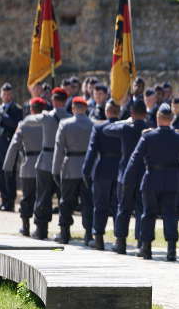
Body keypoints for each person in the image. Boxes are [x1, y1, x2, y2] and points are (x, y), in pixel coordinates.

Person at [124, 103, 179, 262]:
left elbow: (135, 159)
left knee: (148, 214)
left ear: (157, 118)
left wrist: (127, 179)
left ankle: (146, 248)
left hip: (151, 177)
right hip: (172, 179)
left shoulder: (148, 136)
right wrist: (177, 176)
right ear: (172, 118)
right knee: (170, 215)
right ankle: (171, 250)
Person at [20, 87, 71, 239]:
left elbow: (28, 120)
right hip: (64, 161)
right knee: (64, 197)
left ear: (54, 101)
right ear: (65, 100)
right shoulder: (69, 117)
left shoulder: (46, 117)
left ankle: (41, 230)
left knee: (43, 196)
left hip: (47, 160)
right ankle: (64, 230)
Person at [103, 99, 148, 254]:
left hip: (125, 175)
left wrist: (125, 120)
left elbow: (107, 129)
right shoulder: (149, 129)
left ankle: (120, 242)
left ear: (131, 113)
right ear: (146, 113)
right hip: (143, 174)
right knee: (141, 209)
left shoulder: (125, 128)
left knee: (123, 209)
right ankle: (141, 242)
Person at [51, 96, 94, 244]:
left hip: (70, 166)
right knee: (88, 202)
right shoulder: (92, 124)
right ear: (86, 108)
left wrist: (55, 170)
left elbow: (59, 149)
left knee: (66, 201)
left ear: (73, 108)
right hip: (87, 168)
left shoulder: (65, 124)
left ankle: (64, 233)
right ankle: (89, 234)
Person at [82, 99, 122, 250]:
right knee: (118, 206)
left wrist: (86, 171)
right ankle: (119, 239)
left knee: (100, 205)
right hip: (119, 168)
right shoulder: (124, 127)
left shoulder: (99, 127)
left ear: (107, 111)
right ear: (118, 112)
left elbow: (91, 152)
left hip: (103, 167)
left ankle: (98, 238)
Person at [3, 97, 45, 235]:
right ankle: (41, 227)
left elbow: (14, 146)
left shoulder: (23, 124)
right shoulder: (48, 123)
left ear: (31, 109)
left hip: (28, 165)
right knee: (42, 197)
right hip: (45, 164)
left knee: (27, 197)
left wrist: (7, 166)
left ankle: (25, 226)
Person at [0, 82, 23, 211]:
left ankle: (10, 202)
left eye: (8, 94)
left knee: (9, 173)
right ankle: (3, 200)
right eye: (4, 94)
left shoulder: (16, 109)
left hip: (9, 146)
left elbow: (15, 125)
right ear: (1, 95)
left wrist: (4, 116)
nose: (6, 96)